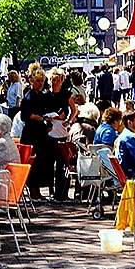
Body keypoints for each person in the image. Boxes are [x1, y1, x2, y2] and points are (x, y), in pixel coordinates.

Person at [45, 67, 78, 200]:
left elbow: (74, 110)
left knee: (62, 162)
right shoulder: (46, 95)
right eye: (53, 80)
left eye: (58, 80)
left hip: (62, 131)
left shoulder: (66, 94)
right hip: (49, 130)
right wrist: (47, 118)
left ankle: (62, 192)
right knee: (49, 163)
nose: (55, 82)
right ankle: (51, 191)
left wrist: (68, 121)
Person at [20, 69, 49, 198]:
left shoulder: (43, 95)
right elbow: (24, 116)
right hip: (31, 133)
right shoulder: (28, 97)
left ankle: (37, 190)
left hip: (41, 133)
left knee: (40, 162)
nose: (40, 83)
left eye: (42, 81)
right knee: (33, 162)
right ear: (32, 81)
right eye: (37, 81)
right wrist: (37, 117)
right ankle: (33, 190)